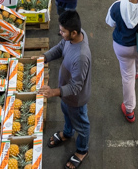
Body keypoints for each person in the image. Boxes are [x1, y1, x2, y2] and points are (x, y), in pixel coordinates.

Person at [41, 11, 91, 169]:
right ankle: (68, 133)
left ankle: (82, 150)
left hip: (75, 99)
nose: (60, 33)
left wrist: (53, 92)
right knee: (66, 114)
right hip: (65, 96)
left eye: (63, 31)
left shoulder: (81, 57)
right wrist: (45, 57)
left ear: (74, 33)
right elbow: (61, 47)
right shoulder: (74, 37)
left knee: (82, 125)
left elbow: (76, 86)